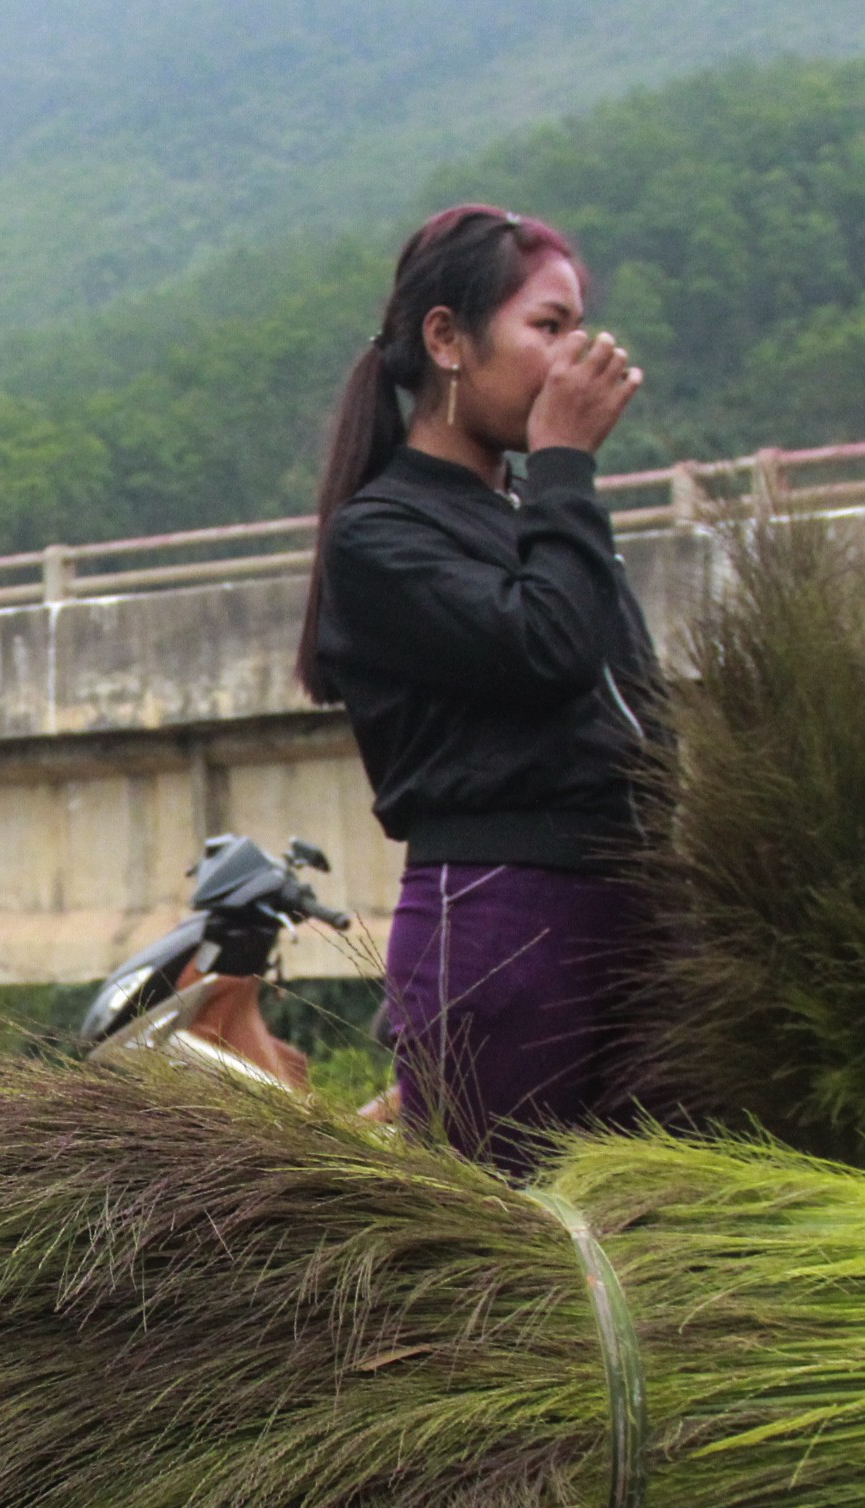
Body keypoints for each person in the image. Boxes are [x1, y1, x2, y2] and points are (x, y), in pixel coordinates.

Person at [300, 204, 653, 1175]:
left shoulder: (524, 515)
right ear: (447, 339)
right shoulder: (382, 537)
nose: (574, 355)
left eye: (578, 328)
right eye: (548, 328)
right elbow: (550, 649)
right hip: (504, 924)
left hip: (625, 907)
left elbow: (628, 696)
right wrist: (568, 466)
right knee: (516, 1248)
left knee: (650, 1238)